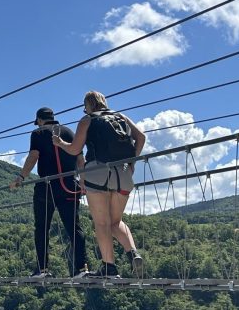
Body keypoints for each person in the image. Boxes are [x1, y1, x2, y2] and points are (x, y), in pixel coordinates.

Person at [53, 91, 146, 278]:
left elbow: (75, 149)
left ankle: (109, 267)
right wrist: (131, 163)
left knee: (102, 223)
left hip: (97, 173)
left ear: (88, 104)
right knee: (116, 222)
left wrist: (60, 142)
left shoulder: (87, 120)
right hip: (123, 174)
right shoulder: (121, 117)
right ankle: (133, 253)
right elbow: (141, 137)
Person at [10, 107, 87, 278]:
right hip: (69, 185)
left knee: (42, 228)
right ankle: (82, 269)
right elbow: (80, 159)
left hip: (47, 187)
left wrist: (21, 178)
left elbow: (33, 156)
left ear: (39, 120)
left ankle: (42, 269)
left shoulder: (37, 133)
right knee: (74, 228)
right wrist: (83, 181)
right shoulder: (68, 132)